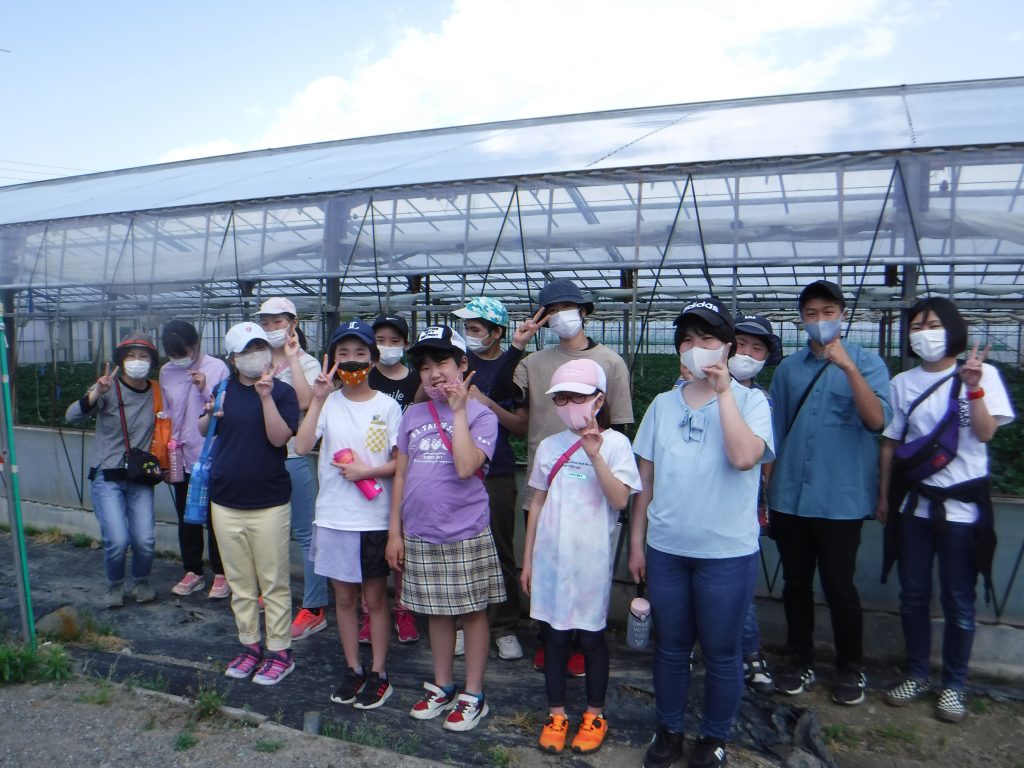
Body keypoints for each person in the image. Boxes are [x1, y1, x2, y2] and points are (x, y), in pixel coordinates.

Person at [630, 298, 774, 768]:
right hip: (668, 548)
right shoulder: (661, 405)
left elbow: (743, 457)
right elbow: (645, 481)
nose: (696, 348)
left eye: (707, 339)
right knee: (671, 646)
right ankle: (669, 729)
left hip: (726, 554)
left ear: (728, 348)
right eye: (687, 340)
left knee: (721, 650)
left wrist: (725, 392)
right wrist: (637, 543)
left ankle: (715, 737)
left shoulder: (752, 402)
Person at [877, 297, 1014, 723]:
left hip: (962, 513)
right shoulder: (902, 383)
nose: (924, 332)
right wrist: (884, 496)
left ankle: (955, 684)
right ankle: (917, 674)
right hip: (916, 508)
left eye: (933, 323)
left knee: (959, 600)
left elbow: (986, 432)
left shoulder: (983, 373)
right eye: (917, 325)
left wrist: (972, 386)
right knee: (913, 596)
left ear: (952, 328)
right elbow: (892, 444)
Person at [767, 280, 891, 705]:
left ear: (842, 314)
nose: (821, 320)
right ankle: (798, 660)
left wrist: (849, 370)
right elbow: (776, 431)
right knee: (796, 583)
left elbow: (877, 422)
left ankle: (849, 667)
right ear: (801, 319)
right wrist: (767, 488)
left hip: (841, 500)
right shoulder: (788, 370)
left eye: (829, 311)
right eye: (812, 313)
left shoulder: (868, 363)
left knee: (840, 585)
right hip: (790, 498)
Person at [512, 278, 634, 674]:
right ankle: (551, 641)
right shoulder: (534, 362)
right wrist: (517, 345)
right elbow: (499, 394)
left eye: (569, 306)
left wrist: (606, 464)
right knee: (547, 564)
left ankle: (583, 644)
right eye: (552, 308)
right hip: (546, 477)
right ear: (543, 317)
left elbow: (620, 423)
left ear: (584, 310)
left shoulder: (612, 363)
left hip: (592, 481)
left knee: (586, 569)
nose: (562, 315)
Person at [386, 326, 504, 733]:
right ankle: (442, 684)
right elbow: (400, 476)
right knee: (435, 614)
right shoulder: (412, 415)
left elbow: (468, 467)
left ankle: (473, 693)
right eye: (424, 367)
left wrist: (458, 411)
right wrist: (394, 533)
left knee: (472, 613)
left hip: (466, 530)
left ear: (462, 365)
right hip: (420, 531)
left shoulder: (481, 415)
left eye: (443, 363)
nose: (434, 373)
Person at [521, 359, 641, 755]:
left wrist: (595, 455)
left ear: (599, 399)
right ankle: (556, 714)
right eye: (562, 398)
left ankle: (594, 713)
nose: (569, 404)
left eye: (577, 396)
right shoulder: (549, 447)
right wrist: (528, 559)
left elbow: (620, 499)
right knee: (553, 638)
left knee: (591, 638)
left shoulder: (618, 445)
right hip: (551, 560)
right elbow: (536, 502)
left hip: (590, 563)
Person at [296, 320, 403, 711]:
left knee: (375, 599)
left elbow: (399, 465)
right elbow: (302, 444)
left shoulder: (388, 407)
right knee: (344, 599)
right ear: (333, 360)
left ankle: (379, 672)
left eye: (360, 354)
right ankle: (353, 668)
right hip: (335, 517)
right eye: (344, 355)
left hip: (373, 519)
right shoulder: (329, 404)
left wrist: (367, 473)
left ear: (373, 361)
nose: (352, 361)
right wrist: (319, 399)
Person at [205, 322, 299, 686]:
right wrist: (210, 412)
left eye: (259, 347)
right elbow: (205, 431)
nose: (255, 356)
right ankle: (250, 646)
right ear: (233, 358)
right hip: (225, 499)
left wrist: (265, 397)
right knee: (241, 584)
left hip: (269, 502)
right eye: (246, 351)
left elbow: (279, 440)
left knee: (273, 582)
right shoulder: (223, 389)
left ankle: (280, 651)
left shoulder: (284, 393)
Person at [454, 296, 527, 661]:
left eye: (476, 329)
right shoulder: (456, 364)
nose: (469, 335)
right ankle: (464, 623)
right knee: (459, 550)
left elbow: (520, 426)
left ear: (497, 333)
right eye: (466, 328)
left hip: (496, 470)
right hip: (457, 470)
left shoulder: (515, 368)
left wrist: (488, 404)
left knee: (500, 549)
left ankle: (504, 626)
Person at [66, 332, 163, 608]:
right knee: (118, 539)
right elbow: (72, 416)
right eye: (131, 356)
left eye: (143, 356)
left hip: (140, 476)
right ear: (121, 360)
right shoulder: (109, 388)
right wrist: (96, 392)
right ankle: (114, 585)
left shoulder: (156, 390)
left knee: (144, 538)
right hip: (107, 477)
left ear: (152, 361)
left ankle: (141, 581)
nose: (137, 361)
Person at [254, 297, 327, 641]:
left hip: (293, 457)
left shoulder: (308, 362)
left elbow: (303, 402)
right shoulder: (257, 361)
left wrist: (294, 359)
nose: (271, 328)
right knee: (269, 531)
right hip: (262, 458)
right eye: (265, 323)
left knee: (305, 533)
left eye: (277, 322)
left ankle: (314, 607)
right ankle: (274, 594)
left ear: (293, 324)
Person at [729, 313, 783, 695]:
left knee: (739, 585)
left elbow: (766, 458)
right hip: (699, 506)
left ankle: (748, 651)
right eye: (740, 345)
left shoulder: (762, 400)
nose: (746, 354)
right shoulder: (689, 388)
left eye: (756, 348)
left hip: (745, 507)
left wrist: (760, 499)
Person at [160, 320, 231, 599]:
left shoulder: (217, 368)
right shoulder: (166, 372)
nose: (178, 359)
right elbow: (166, 412)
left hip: (210, 453)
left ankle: (221, 573)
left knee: (216, 518)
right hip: (179, 453)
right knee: (186, 517)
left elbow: (224, 410)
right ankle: (193, 571)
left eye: (182, 352)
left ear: (195, 344)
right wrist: (166, 452)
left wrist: (204, 389)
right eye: (173, 354)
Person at [361, 313, 421, 645]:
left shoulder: (415, 382)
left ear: (406, 345)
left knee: (401, 549)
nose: (387, 347)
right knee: (369, 550)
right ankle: (369, 613)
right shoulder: (364, 378)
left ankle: (404, 611)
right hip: (365, 480)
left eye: (394, 341)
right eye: (380, 341)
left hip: (404, 476)